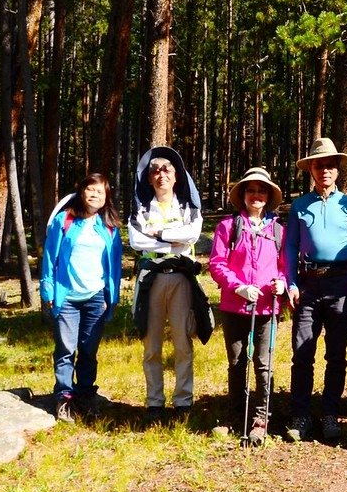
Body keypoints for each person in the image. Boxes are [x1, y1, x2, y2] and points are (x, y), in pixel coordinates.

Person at [284, 137, 347, 442]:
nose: (325, 170)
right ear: (311, 170)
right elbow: (290, 246)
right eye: (319, 165)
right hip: (308, 284)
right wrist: (291, 281)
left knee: (337, 354)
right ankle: (300, 414)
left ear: (337, 170)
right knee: (302, 352)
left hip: (342, 284)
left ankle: (330, 413)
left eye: (330, 165)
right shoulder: (300, 206)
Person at [209, 167, 287, 445]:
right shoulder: (228, 227)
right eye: (251, 190)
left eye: (261, 190)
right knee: (237, 362)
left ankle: (261, 419)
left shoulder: (278, 230)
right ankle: (235, 417)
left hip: (267, 308)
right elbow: (216, 264)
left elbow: (284, 267)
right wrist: (237, 286)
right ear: (243, 195)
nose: (256, 195)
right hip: (234, 306)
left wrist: (282, 283)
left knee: (263, 365)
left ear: (268, 196)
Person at [129, 146, 203, 424]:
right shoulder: (140, 209)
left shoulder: (188, 208)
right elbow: (138, 242)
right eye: (155, 171)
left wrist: (158, 234)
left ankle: (183, 402)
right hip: (151, 281)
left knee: (183, 341)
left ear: (177, 176)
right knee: (152, 344)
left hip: (182, 278)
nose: (161, 175)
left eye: (167, 170)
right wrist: (174, 240)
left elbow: (192, 235)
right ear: (148, 179)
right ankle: (154, 403)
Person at [41, 173, 123, 423]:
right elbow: (49, 258)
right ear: (81, 191)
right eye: (90, 189)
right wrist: (48, 290)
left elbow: (115, 266)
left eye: (101, 191)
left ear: (106, 197)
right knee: (66, 349)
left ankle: (86, 396)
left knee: (89, 350)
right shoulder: (63, 221)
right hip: (66, 297)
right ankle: (64, 398)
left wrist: (112, 295)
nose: (95, 194)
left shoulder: (109, 227)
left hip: (96, 297)